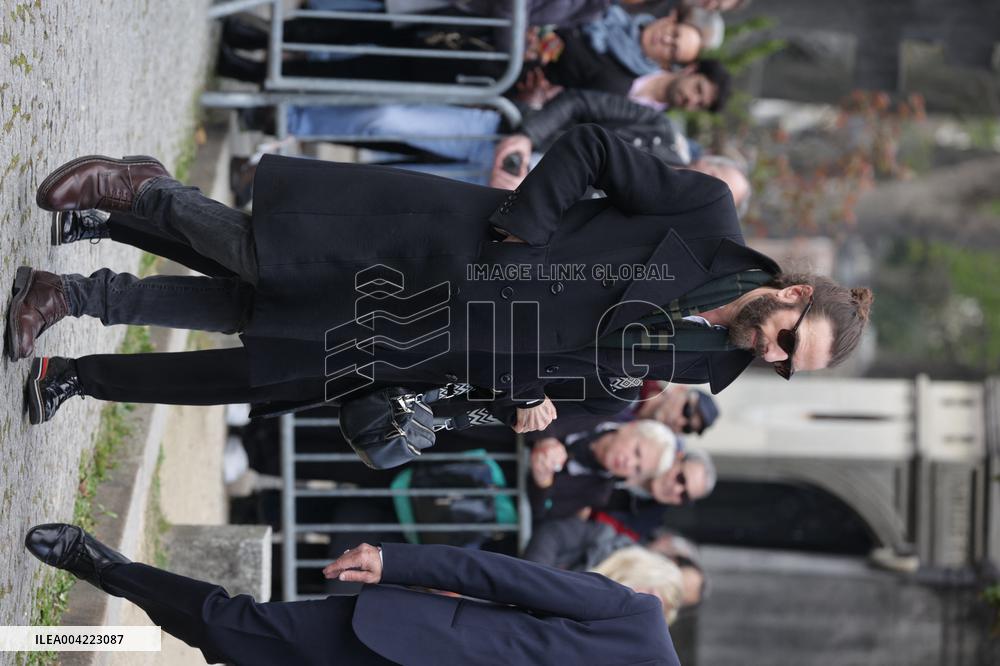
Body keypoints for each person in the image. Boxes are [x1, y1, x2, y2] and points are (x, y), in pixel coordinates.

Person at [10, 125, 873, 432]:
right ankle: (143, 190)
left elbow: (587, 367)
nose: (776, 356)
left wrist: (525, 398)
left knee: (250, 312)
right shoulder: (707, 220)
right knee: (269, 251)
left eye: (792, 367)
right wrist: (521, 234)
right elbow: (595, 150)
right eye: (789, 341)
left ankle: (69, 295)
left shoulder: (713, 364)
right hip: (452, 247)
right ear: (794, 292)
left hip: (433, 339)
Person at [25, 523, 680, 665]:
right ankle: (100, 566)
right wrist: (393, 562)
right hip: (400, 639)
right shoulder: (640, 623)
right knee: (228, 628)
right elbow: (506, 578)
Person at [529, 419, 677, 522]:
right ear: (630, 428)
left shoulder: (598, 493)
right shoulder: (597, 408)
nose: (629, 462)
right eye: (636, 451)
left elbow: (542, 513)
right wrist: (545, 439)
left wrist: (543, 482)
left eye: (637, 469)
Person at [632, 383, 720, 435]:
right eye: (687, 411)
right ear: (679, 390)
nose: (679, 422)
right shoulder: (638, 377)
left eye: (687, 428)